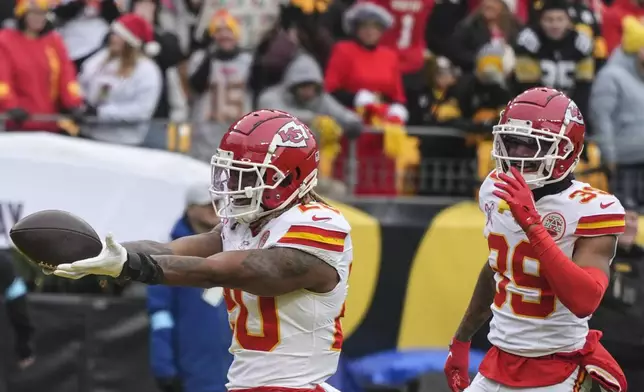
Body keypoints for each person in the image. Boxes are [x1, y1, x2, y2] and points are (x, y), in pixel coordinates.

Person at [47, 110, 353, 392]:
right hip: (248, 384)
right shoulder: (245, 225)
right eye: (232, 172)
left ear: (287, 176)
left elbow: (226, 270)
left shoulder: (318, 224)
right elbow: (167, 249)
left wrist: (129, 266)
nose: (234, 183)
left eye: (248, 174)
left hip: (295, 385)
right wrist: (99, 252)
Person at [444, 87, 628, 392]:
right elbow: (497, 268)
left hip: (557, 369)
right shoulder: (494, 188)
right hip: (498, 362)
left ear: (568, 150)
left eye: (530, 146)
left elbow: (585, 301)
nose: (516, 155)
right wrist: (461, 340)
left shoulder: (591, 207)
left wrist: (532, 225)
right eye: (511, 142)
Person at [148, 183, 231, 392]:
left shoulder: (237, 250)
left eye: (219, 203)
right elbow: (160, 316)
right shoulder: (168, 257)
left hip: (239, 373)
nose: (215, 208)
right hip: (194, 373)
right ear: (189, 208)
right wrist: (164, 368)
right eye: (207, 204)